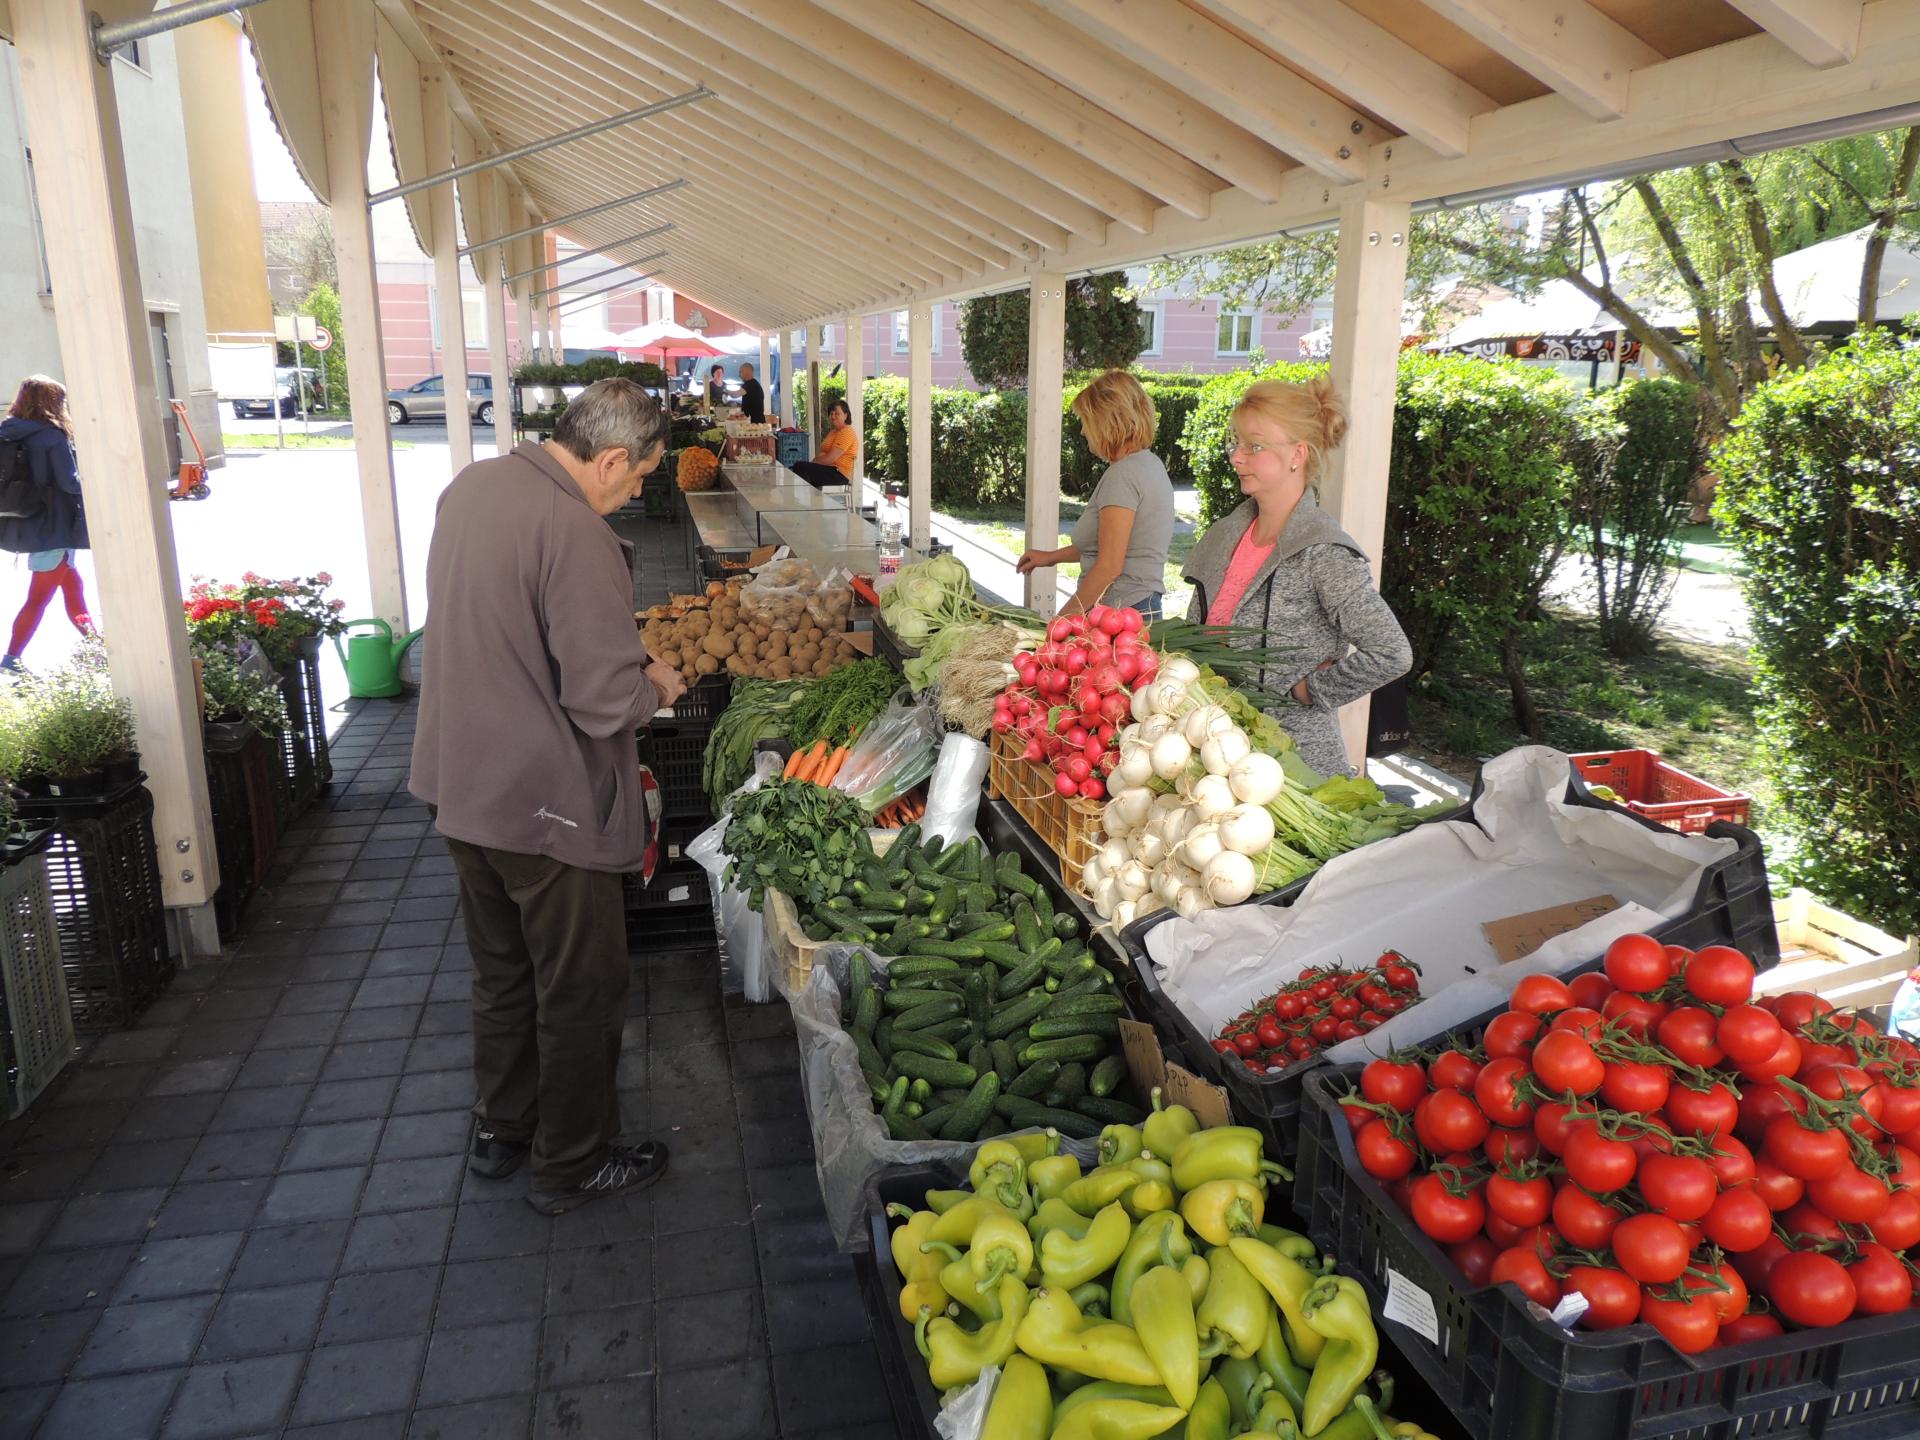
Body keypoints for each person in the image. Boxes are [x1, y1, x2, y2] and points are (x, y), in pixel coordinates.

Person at [409, 378, 687, 1216]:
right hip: (543, 802)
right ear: (608, 459)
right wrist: (658, 687)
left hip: (459, 781)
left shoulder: (474, 485)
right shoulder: (576, 530)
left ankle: (505, 1125)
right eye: (641, 476)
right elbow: (602, 698)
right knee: (578, 990)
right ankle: (569, 1164)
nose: (640, 491)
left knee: (502, 973)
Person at [1181, 375, 1411, 778]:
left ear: (1297, 454)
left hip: (1294, 771)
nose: (1237, 457)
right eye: (1235, 443)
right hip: (1213, 760)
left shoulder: (1322, 550)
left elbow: (1391, 652)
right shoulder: (1225, 536)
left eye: (1254, 446)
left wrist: (1311, 690)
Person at [1016, 371, 1174, 619]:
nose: (1082, 432)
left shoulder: (1123, 475)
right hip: (1141, 608)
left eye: (1086, 422)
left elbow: (1109, 565)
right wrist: (1050, 558)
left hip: (1120, 613)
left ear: (1107, 422)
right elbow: (1109, 544)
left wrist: (1061, 622)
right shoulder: (1150, 465)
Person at [0, 375, 92, 673]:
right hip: (56, 526)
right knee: (38, 599)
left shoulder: (8, 432)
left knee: (73, 587)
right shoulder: (52, 436)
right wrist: (97, 482)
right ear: (53, 403)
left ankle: (97, 647)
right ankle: (11, 659)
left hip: (27, 522)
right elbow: (69, 482)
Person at [792, 399, 857, 489]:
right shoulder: (834, 432)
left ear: (846, 415)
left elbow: (830, 459)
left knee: (800, 467)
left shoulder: (846, 432)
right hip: (829, 469)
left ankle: (807, 499)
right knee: (804, 470)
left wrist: (814, 461)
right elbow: (825, 454)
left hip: (839, 473)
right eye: (831, 414)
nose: (833, 416)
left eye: (837, 413)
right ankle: (813, 499)